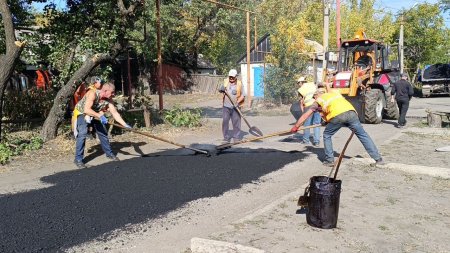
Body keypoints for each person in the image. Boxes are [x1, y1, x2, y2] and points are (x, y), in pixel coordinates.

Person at [290, 86, 385, 167]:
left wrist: (296, 126)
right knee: (363, 135)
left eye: (314, 97)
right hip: (352, 113)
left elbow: (305, 115)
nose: (314, 99)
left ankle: (329, 160)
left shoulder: (318, 100)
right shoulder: (334, 94)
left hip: (338, 116)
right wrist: (327, 121)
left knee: (327, 135)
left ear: (316, 95)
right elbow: (331, 108)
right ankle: (378, 159)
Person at [73, 82, 131, 169]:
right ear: (105, 90)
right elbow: (86, 109)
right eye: (112, 92)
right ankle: (78, 159)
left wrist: (125, 124)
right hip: (82, 113)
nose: (113, 94)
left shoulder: (109, 100)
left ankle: (109, 154)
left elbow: (115, 113)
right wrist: (100, 116)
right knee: (82, 134)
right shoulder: (92, 93)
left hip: (95, 114)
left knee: (103, 132)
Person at [218, 69, 245, 144]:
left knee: (236, 122)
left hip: (235, 107)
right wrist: (221, 89)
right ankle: (226, 137)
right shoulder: (225, 81)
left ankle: (236, 137)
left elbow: (243, 95)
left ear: (236, 76)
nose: (231, 78)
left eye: (232, 77)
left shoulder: (239, 84)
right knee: (225, 121)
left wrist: (238, 102)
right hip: (226, 106)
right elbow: (220, 90)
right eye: (230, 77)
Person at [297, 81, 321, 146]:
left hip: (309, 106)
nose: (298, 85)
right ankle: (317, 142)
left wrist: (303, 113)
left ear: (300, 83)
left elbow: (301, 102)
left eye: (298, 83)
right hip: (318, 104)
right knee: (316, 124)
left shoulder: (301, 89)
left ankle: (305, 140)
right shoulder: (312, 85)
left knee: (307, 124)